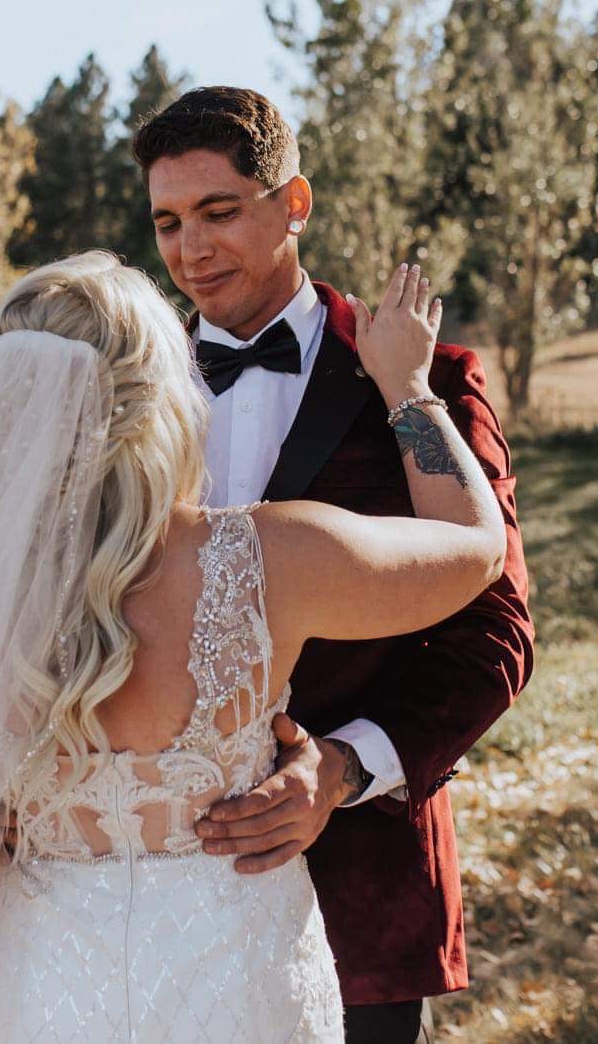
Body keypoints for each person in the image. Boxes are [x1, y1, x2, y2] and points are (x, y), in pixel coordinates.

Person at [0, 251, 507, 1042]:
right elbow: (475, 545)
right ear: (168, 400)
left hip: (38, 988)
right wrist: (409, 386)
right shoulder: (268, 557)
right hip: (234, 983)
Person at [137, 86, 534, 1043]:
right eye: (168, 222)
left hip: (362, 883)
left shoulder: (426, 382)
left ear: (295, 204)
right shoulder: (126, 391)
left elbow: (496, 633)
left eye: (221, 212)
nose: (193, 250)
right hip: (158, 884)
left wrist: (345, 769)